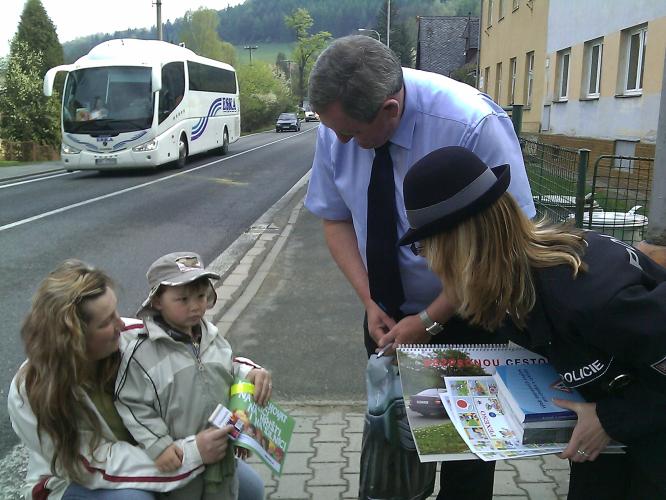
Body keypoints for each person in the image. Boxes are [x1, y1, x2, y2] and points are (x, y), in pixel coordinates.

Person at [304, 35, 535, 499]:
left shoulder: (471, 125)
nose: (340, 142)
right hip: (389, 319)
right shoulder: (337, 126)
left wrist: (431, 320)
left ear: (390, 110)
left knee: (464, 458)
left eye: (350, 133)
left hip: (469, 317)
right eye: (334, 131)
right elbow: (335, 218)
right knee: (396, 449)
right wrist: (369, 299)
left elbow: (506, 246)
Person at [398, 146, 666, 499]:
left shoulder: (589, 296)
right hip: (612, 441)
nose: (428, 262)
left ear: (461, 245)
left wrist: (610, 417)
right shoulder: (516, 287)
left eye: (426, 247)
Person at [7, 259, 221, 499]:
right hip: (74, 479)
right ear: (73, 340)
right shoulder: (30, 393)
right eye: (106, 322)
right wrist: (192, 455)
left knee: (247, 484)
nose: (120, 323)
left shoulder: (133, 339)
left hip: (154, 455)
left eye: (115, 312)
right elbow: (90, 465)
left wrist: (248, 373)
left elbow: (198, 354)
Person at [114, 252, 271, 500]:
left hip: (221, 454)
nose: (195, 306)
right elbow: (131, 403)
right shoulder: (142, 353)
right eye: (182, 299)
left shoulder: (212, 337)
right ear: (157, 301)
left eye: (201, 296)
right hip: (181, 461)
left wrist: (248, 376)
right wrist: (159, 445)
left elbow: (228, 373)